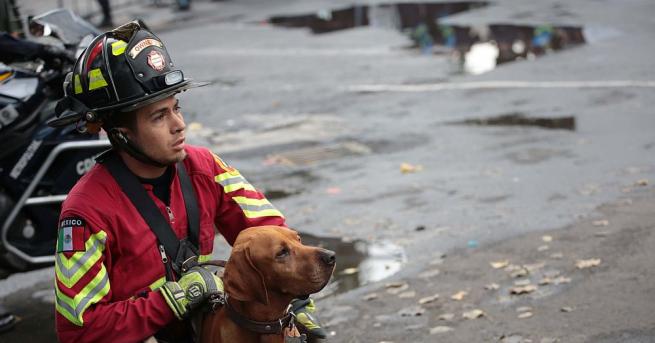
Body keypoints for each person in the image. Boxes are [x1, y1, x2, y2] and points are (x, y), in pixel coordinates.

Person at [51, 21, 326, 342]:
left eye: (176, 108)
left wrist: (298, 298)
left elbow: (271, 233)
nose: (178, 125)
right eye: (158, 116)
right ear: (121, 134)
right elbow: (79, 331)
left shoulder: (206, 166)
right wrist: (173, 299)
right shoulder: (86, 212)